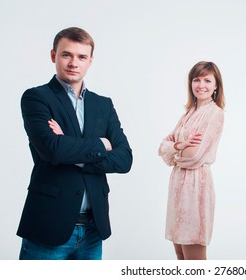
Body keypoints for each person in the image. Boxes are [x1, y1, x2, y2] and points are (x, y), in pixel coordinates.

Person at [17, 27, 133, 260]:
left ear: (90, 61)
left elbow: (124, 159)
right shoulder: (36, 98)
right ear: (53, 56)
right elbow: (53, 150)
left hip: (93, 229)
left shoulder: (103, 105)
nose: (73, 63)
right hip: (48, 225)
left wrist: (73, 151)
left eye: (81, 57)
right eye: (66, 54)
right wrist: (101, 144)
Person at [158, 61, 225, 260]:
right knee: (180, 253)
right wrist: (179, 146)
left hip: (196, 186)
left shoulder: (215, 114)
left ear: (216, 86)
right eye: (196, 79)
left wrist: (173, 151)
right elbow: (162, 146)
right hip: (178, 185)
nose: (201, 85)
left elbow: (194, 156)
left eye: (207, 80)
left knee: (193, 257)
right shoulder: (187, 114)